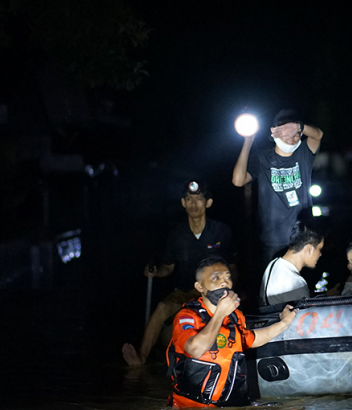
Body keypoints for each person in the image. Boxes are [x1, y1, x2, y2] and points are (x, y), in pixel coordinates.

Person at [123, 181, 235, 366]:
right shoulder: (177, 234)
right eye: (189, 199)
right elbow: (168, 267)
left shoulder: (221, 231)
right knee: (162, 307)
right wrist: (155, 272)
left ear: (208, 203)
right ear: (183, 203)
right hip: (183, 291)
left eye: (199, 199)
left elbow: (232, 266)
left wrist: (230, 291)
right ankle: (141, 358)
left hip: (210, 292)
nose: (194, 204)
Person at [167, 256, 297, 408]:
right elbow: (195, 349)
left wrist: (284, 323)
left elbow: (251, 339)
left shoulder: (235, 316)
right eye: (216, 278)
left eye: (227, 277)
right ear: (200, 287)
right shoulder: (188, 316)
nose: (224, 282)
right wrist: (220, 314)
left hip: (231, 407)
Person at [231, 108, 324, 265]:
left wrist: (299, 126)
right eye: (286, 132)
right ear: (274, 132)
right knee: (277, 287)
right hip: (273, 240)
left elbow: (318, 135)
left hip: (305, 236)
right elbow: (238, 180)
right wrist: (248, 141)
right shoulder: (263, 158)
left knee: (304, 286)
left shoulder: (303, 153)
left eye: (296, 134)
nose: (292, 138)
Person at [259, 225, 325, 306]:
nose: (320, 254)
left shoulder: (273, 263)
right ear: (309, 249)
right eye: (319, 249)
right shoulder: (296, 283)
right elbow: (305, 317)